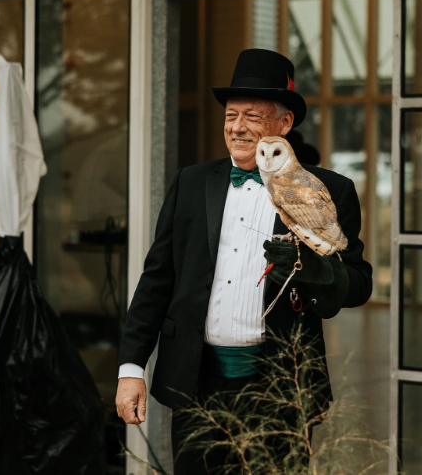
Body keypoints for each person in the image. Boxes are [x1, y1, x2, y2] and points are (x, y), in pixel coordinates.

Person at [115, 48, 373, 473]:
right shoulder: (191, 182)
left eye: (252, 116)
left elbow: (359, 281)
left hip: (280, 390)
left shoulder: (330, 188)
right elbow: (157, 280)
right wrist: (130, 367)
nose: (236, 128)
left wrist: (320, 273)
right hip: (196, 383)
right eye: (230, 116)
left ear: (284, 123)